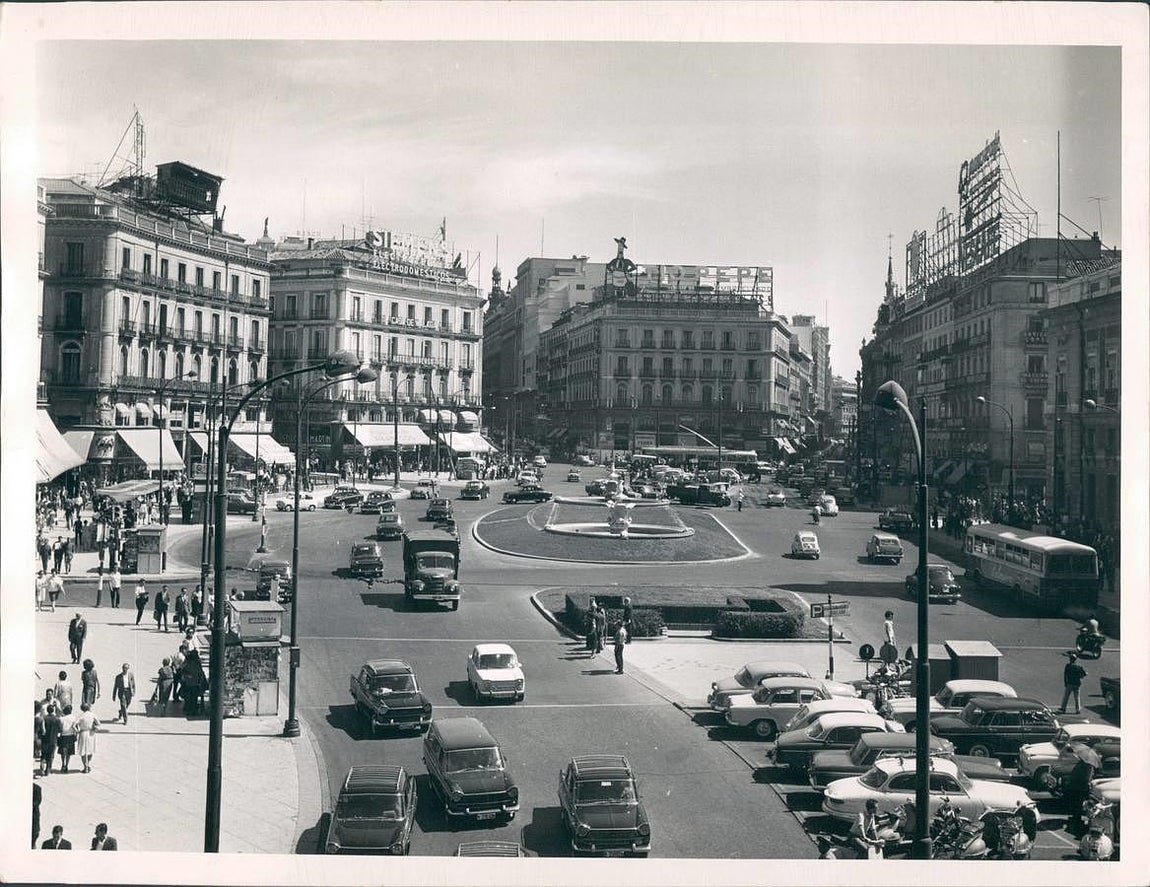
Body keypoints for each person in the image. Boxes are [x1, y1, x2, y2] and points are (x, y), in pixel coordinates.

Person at [180, 649, 207, 717]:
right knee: (194, 698)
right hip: (195, 683)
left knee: (188, 697)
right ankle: (193, 710)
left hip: (188, 683)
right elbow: (200, 673)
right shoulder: (197, 664)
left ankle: (189, 709)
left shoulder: (187, 662)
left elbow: (182, 670)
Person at [74, 702, 99, 773]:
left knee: (83, 751)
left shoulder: (81, 716)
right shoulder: (93, 715)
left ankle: (85, 766)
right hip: (91, 733)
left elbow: (74, 725)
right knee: (90, 750)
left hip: (83, 733)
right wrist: (95, 728)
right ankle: (88, 764)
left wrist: (77, 731)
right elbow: (98, 724)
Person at [40, 703, 62, 777]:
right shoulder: (57, 719)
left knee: (43, 755)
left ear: (47, 710)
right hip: (53, 740)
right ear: (53, 710)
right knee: (50, 756)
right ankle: (48, 770)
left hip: (44, 740)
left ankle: (42, 767)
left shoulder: (44, 718)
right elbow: (60, 730)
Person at [57, 704, 77, 773]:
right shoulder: (74, 717)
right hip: (71, 736)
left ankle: (63, 764)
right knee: (69, 752)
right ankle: (67, 765)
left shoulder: (61, 718)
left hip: (63, 736)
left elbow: (60, 728)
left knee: (63, 752)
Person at [32, 782, 42, 849]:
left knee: (35, 832)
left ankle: (32, 844)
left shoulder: (37, 788)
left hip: (34, 814)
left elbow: (37, 801)